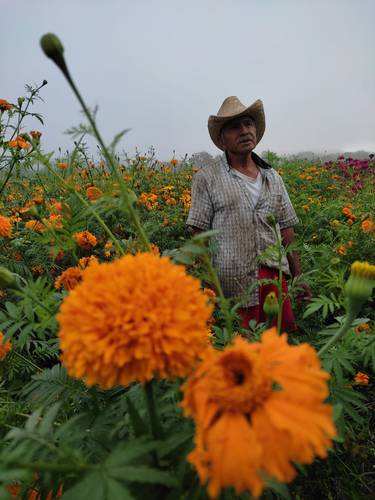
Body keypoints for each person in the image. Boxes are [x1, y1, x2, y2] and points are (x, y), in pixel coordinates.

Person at [187, 96, 311, 331]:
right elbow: (199, 235)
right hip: (232, 285)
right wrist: (210, 286)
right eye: (235, 127)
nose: (244, 131)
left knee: (277, 348)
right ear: (222, 139)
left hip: (275, 280)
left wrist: (298, 275)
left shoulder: (273, 177)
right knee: (242, 354)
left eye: (248, 124)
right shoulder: (206, 178)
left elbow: (286, 228)